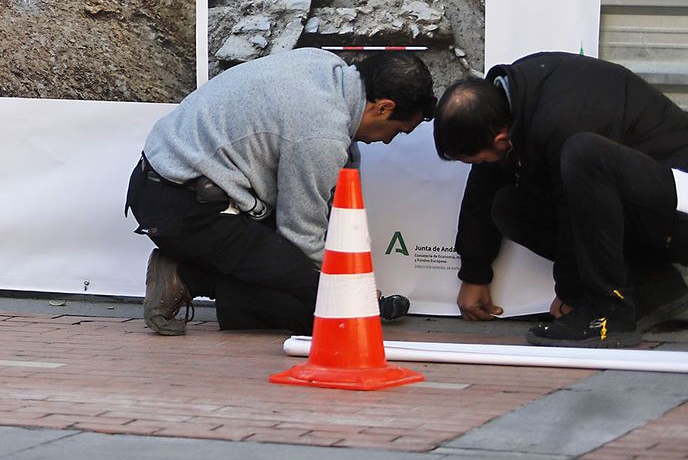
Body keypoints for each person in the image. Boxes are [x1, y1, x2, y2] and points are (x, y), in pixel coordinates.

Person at [125, 48, 434, 335]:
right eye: (398, 130)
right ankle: (186, 276)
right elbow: (301, 234)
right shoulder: (321, 132)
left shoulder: (327, 68)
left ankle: (188, 275)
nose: (389, 141)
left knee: (312, 286)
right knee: (326, 313)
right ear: (383, 108)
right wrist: (350, 291)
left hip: (170, 184)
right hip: (184, 207)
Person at [434, 51, 688, 348]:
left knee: (582, 154)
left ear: (501, 140)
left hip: (678, 210)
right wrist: (474, 273)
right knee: (508, 206)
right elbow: (485, 183)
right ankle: (656, 288)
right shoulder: (511, 99)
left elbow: (575, 209)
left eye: (480, 157)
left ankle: (608, 313)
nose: (483, 164)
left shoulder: (561, 120)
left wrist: (571, 293)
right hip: (645, 206)